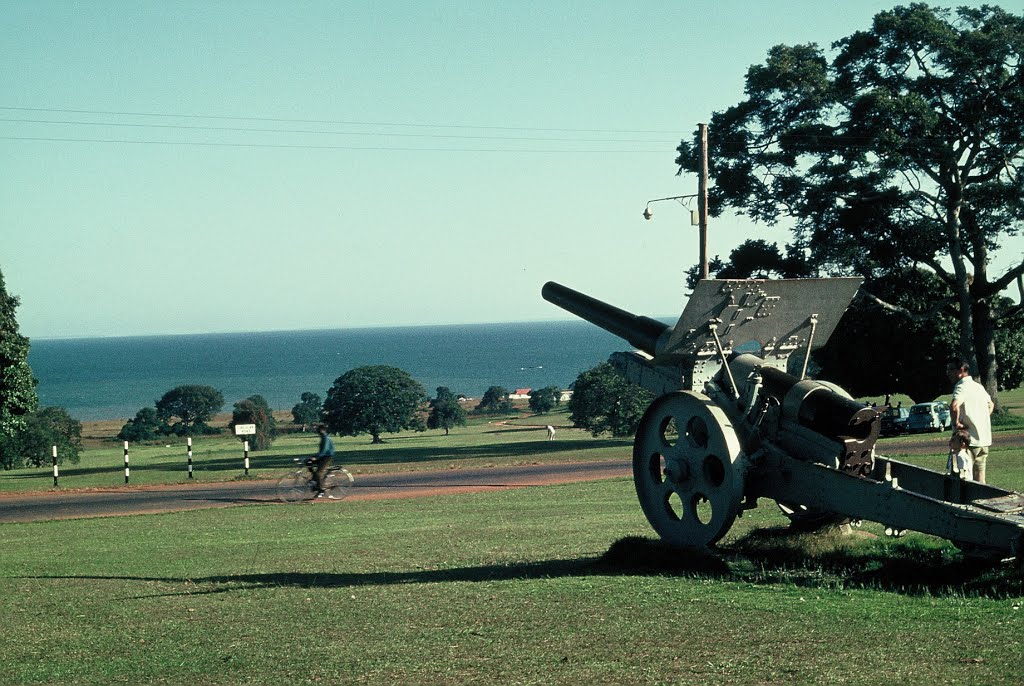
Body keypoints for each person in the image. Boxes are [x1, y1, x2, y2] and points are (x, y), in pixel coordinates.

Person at [946, 358, 994, 483]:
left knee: (963, 479)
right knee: (980, 481)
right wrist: (980, 418)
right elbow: (991, 405)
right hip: (983, 440)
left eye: (951, 369)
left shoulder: (961, 386)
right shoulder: (978, 387)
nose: (948, 373)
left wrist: (956, 424)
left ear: (961, 370)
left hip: (967, 441)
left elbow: (954, 406)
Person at [312, 425, 335, 498]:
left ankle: (321, 490)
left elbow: (324, 450)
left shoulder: (326, 438)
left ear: (322, 430)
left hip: (326, 457)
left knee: (319, 473)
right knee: (308, 463)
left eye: (319, 430)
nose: (318, 431)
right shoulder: (323, 437)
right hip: (322, 456)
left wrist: (316, 457)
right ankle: (315, 480)